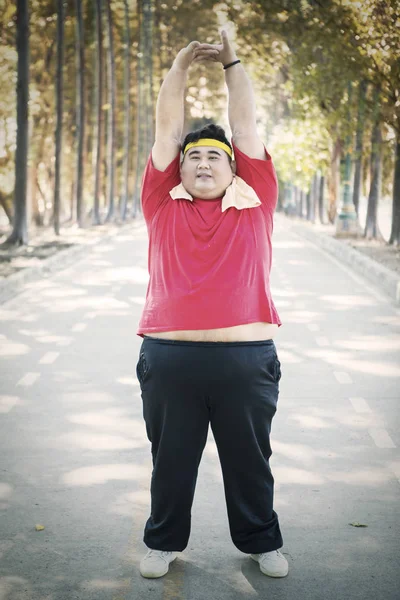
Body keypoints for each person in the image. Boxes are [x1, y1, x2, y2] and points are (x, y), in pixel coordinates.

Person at [136, 30, 288, 580]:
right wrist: (178, 67)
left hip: (246, 362)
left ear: (234, 169)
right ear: (177, 169)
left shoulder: (256, 203)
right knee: (170, 463)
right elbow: (167, 129)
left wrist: (232, 60)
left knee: (250, 462)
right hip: (171, 360)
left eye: (213, 157)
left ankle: (261, 540)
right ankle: (162, 541)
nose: (202, 162)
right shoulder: (162, 203)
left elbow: (246, 127)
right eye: (192, 156)